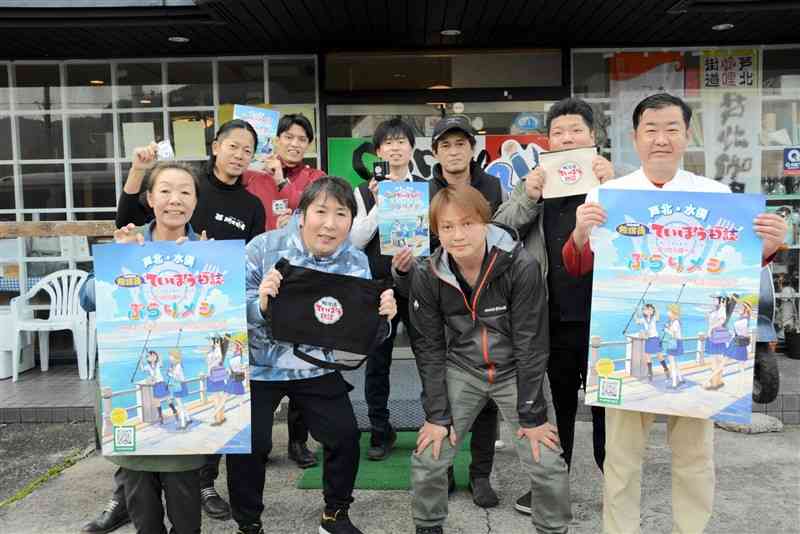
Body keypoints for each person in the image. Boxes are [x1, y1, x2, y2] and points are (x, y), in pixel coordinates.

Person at [561, 92, 786, 533]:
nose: (661, 139)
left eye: (671, 129)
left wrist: (767, 247)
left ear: (687, 135)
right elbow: (577, 265)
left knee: (695, 455)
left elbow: (735, 271)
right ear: (635, 137)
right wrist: (581, 233)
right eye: (651, 129)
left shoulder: (716, 196)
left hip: (693, 342)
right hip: (629, 347)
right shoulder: (609, 194)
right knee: (622, 457)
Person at [227, 176, 398, 534]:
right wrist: (259, 303)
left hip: (316, 368)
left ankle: (335, 514)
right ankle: (247, 521)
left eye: (341, 214)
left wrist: (382, 319)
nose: (330, 223)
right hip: (260, 366)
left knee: (345, 436)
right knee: (249, 444)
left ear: (352, 221)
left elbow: (359, 336)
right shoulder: (262, 248)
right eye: (321, 211)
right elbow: (226, 308)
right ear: (302, 215)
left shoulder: (354, 261)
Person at [408, 185, 571, 534]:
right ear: (436, 231)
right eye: (447, 227)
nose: (458, 234)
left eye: (467, 223)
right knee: (429, 454)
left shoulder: (519, 264)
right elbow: (429, 346)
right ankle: (428, 525)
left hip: (515, 369)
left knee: (546, 459)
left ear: (485, 221)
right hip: (463, 367)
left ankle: (554, 527)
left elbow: (531, 342)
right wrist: (437, 415)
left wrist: (533, 411)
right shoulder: (428, 273)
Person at [492, 97, 611, 515]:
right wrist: (528, 194)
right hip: (552, 319)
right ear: (549, 141)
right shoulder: (536, 184)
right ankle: (550, 489)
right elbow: (498, 232)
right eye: (558, 132)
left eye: (576, 130)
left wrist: (615, 186)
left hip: (604, 320)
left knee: (606, 409)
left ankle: (615, 488)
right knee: (556, 407)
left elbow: (643, 227)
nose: (567, 138)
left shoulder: (611, 180)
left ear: (592, 136)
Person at [80, 161, 208, 534]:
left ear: (196, 201)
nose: (175, 200)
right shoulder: (127, 244)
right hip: (130, 388)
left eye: (185, 191)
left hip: (181, 388)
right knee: (143, 509)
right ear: (150, 198)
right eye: (165, 190)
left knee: (185, 508)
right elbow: (88, 296)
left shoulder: (209, 253)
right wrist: (117, 262)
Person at [425, 115, 505, 507]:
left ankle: (481, 475)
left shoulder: (492, 186)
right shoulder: (424, 191)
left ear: (472, 148)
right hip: (439, 296)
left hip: (487, 297)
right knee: (440, 383)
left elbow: (504, 237)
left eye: (461, 144)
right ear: (435, 153)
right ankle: (440, 472)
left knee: (487, 388)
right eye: (446, 145)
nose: (454, 152)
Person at [350, 118, 426, 461]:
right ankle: (380, 432)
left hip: (419, 286)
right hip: (378, 287)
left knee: (428, 358)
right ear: (378, 151)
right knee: (378, 362)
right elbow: (354, 240)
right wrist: (382, 203)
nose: (395, 148)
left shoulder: (426, 188)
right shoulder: (364, 191)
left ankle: (433, 427)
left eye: (401, 142)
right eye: (388, 143)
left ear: (412, 148)